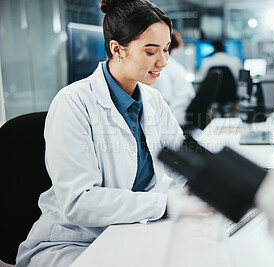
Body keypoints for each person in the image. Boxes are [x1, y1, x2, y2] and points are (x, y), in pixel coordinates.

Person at [15, 0, 185, 266]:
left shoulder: (153, 101)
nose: (163, 61)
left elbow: (181, 160)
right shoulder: (73, 102)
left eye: (165, 49)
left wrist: (218, 186)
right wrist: (165, 204)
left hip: (130, 232)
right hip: (73, 242)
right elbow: (79, 201)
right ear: (117, 49)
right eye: (151, 51)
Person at [153, 31, 195, 126]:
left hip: (175, 116)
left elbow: (166, 96)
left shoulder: (163, 67)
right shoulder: (174, 65)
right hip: (180, 113)